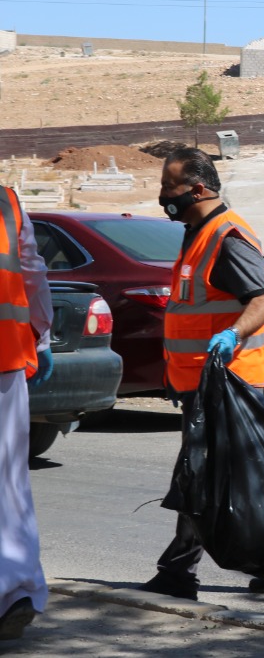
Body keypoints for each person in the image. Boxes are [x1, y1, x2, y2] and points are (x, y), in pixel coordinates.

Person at [141, 147, 264, 601]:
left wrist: (232, 335)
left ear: (198, 189)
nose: (163, 195)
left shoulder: (227, 237)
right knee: (232, 477)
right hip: (199, 382)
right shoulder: (196, 232)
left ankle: (177, 572)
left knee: (200, 477)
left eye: (169, 186)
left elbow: (259, 300)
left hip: (228, 380)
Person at [0, 186, 54, 641]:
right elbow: (33, 272)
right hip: (6, 359)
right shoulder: (7, 201)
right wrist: (43, 335)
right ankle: (15, 590)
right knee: (9, 483)